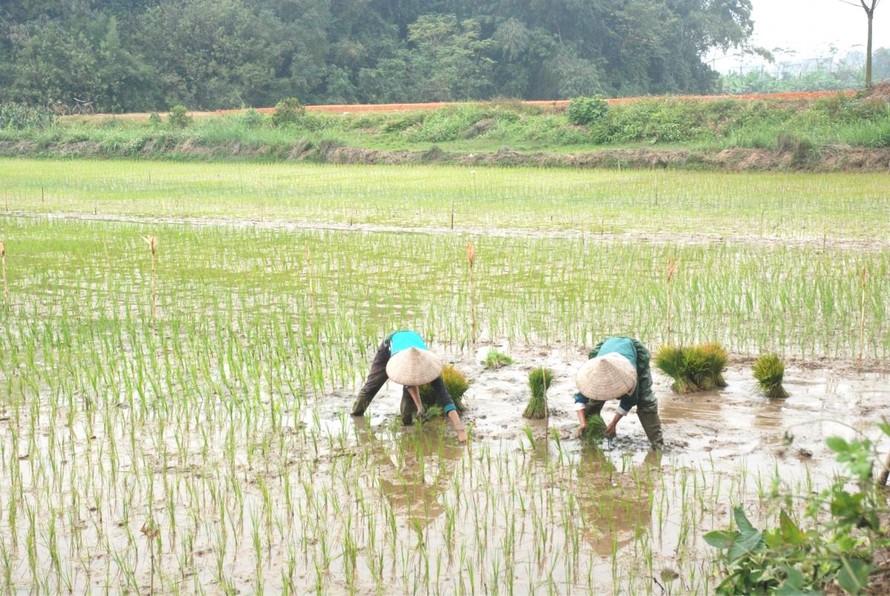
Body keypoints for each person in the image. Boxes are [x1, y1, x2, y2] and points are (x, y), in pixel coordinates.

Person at [351, 330, 467, 442]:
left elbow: (444, 397)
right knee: (372, 386)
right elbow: (409, 384)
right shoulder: (401, 362)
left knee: (408, 400)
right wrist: (420, 406)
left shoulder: (430, 365)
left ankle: (406, 424)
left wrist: (460, 431)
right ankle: (356, 414)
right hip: (389, 348)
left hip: (413, 345)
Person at [573, 336, 663, 449]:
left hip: (632, 354)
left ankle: (658, 444)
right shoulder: (592, 376)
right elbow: (580, 399)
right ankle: (590, 436)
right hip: (606, 353)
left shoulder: (629, 376)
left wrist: (614, 423)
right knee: (593, 398)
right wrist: (582, 423)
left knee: (645, 402)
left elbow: (629, 401)